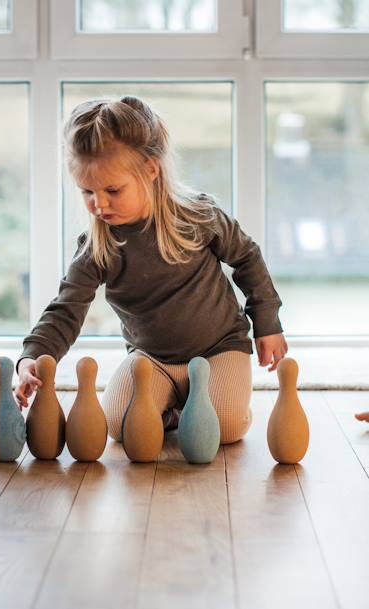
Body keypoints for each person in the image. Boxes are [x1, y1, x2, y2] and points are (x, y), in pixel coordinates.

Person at [14, 95, 288, 444]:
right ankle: (177, 410)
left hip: (220, 349)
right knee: (117, 425)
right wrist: (32, 357)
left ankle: (206, 407)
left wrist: (267, 322)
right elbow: (66, 310)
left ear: (151, 171)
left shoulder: (197, 216)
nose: (99, 204)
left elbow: (247, 258)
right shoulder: (98, 247)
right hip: (151, 359)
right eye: (87, 192)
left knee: (226, 428)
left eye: (113, 189)